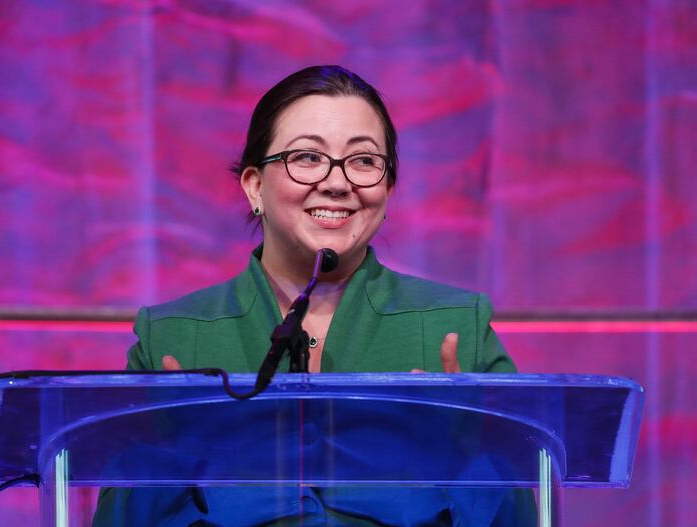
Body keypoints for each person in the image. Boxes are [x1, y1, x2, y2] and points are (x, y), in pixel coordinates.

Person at [93, 65, 535, 526]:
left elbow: (525, 503)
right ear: (255, 186)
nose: (338, 182)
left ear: (387, 190)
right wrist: (179, 468)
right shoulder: (174, 337)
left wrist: (460, 459)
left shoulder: (457, 327)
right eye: (307, 157)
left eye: (364, 161)